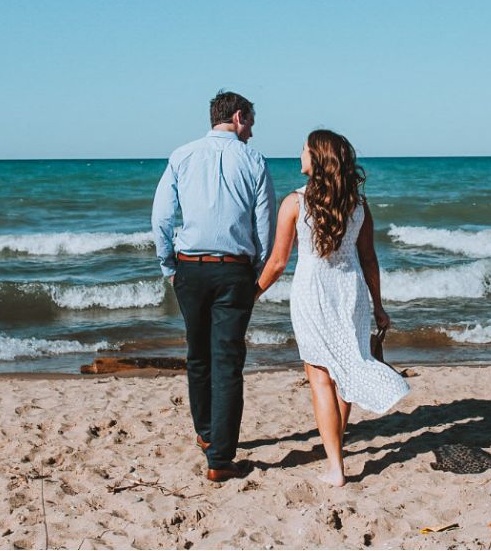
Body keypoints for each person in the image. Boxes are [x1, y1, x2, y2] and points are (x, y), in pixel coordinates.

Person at [255, 129, 409, 486]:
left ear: (317, 158)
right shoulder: (357, 204)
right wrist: (378, 305)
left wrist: (251, 296)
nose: (299, 153)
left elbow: (277, 263)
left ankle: (335, 467)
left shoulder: (294, 203)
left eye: (304, 149)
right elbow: (369, 259)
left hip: (312, 294)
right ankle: (335, 451)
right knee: (348, 373)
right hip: (351, 292)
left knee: (321, 378)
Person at [152, 90, 277, 482]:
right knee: (227, 361)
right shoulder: (253, 160)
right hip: (233, 269)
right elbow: (265, 225)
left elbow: (161, 218)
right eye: (251, 123)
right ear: (238, 116)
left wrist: (167, 263)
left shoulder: (182, 155)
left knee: (198, 355)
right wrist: (256, 269)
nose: (252, 132)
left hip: (190, 268)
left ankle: (207, 436)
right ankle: (220, 458)